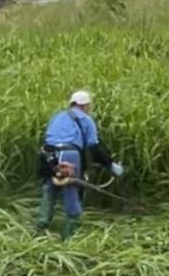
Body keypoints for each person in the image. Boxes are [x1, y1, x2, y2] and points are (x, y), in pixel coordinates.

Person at [36, 90, 124, 240]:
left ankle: (40, 228)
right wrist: (110, 164)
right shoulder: (85, 119)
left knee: (50, 187)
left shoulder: (57, 116)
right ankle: (69, 236)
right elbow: (94, 147)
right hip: (69, 154)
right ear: (85, 105)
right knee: (71, 189)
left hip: (48, 154)